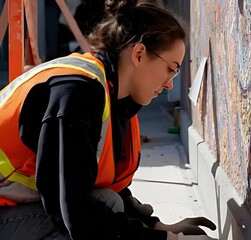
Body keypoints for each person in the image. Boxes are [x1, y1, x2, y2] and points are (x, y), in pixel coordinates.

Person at [0, 1, 217, 240]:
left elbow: (89, 183)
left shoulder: (109, 92)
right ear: (139, 54)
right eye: (170, 69)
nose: (170, 84)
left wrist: (157, 227)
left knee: (108, 202)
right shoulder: (76, 94)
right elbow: (73, 214)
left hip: (12, 209)